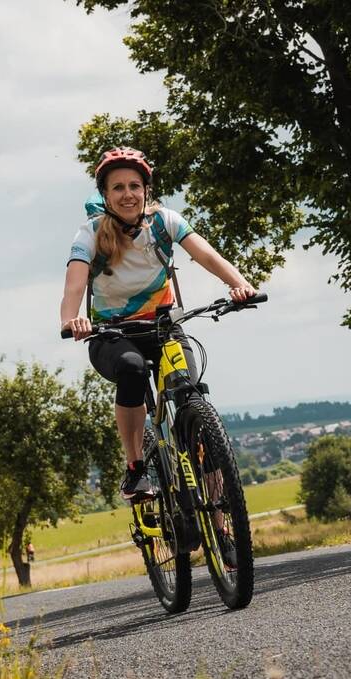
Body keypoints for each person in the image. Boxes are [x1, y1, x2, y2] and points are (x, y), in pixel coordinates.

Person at [60, 147, 256, 499]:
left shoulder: (165, 222)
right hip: (112, 335)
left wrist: (239, 284)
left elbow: (207, 255)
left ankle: (221, 514)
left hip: (164, 327)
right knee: (133, 370)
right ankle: (135, 467)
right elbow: (74, 285)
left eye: (134, 185)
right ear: (105, 195)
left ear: (146, 191)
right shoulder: (88, 234)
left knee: (190, 395)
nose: (127, 194)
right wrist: (71, 319)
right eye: (117, 187)